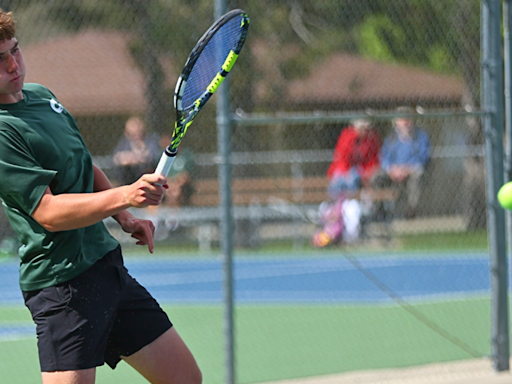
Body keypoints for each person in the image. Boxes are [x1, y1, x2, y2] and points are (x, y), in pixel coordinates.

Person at [0, 10, 201, 384]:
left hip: (106, 268)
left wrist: (125, 218)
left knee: (184, 377)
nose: (13, 64)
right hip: (62, 288)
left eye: (15, 50)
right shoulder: (2, 132)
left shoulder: (42, 96)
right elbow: (48, 212)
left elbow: (82, 163)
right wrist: (126, 195)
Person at [312, 118, 382, 247]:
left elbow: (373, 160)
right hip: (344, 174)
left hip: (359, 175)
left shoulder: (372, 138)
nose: (362, 129)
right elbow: (342, 157)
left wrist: (364, 173)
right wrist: (347, 173)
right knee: (341, 179)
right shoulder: (347, 135)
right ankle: (333, 208)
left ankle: (346, 227)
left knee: (354, 179)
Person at [372, 107, 431, 218]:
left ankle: (411, 211)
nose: (404, 123)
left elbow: (423, 158)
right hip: (394, 172)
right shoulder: (391, 138)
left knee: (418, 175)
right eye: (401, 119)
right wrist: (392, 169)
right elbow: (384, 158)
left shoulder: (420, 137)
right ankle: (379, 210)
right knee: (377, 176)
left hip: (411, 171)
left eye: (407, 119)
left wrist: (408, 169)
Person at [112, 116, 161, 185]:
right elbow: (116, 157)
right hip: (127, 176)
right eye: (131, 134)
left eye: (137, 133)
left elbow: (153, 156)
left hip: (145, 174)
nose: (135, 137)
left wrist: (136, 157)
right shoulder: (125, 142)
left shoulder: (150, 140)